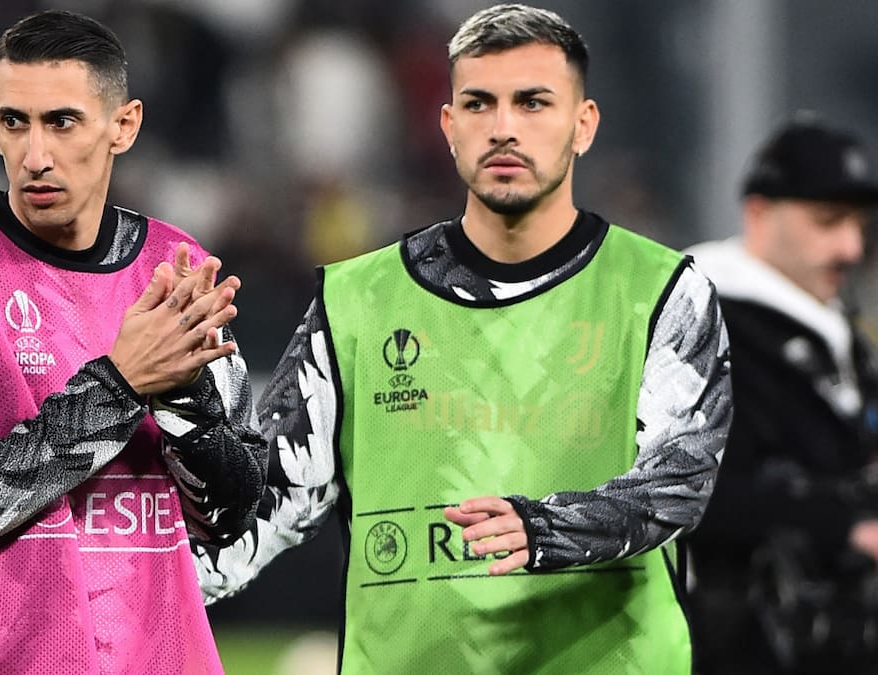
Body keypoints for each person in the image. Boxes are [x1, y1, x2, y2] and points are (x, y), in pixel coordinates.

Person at [193, 4, 732, 673]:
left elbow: (680, 482)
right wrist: (183, 410)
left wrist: (544, 529)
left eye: (533, 103)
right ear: (449, 126)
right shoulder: (357, 301)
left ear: (583, 125)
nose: (504, 128)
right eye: (480, 104)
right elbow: (264, 510)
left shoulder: (663, 291)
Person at [0, 10, 266, 675]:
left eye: (62, 122)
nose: (35, 156)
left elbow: (232, 516)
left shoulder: (176, 267)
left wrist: (183, 396)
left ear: (123, 126)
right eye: (14, 122)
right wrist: (121, 384)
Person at [684, 115, 878, 674]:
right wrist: (844, 524)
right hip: (738, 649)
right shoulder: (700, 322)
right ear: (759, 214)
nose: (851, 247)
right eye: (828, 221)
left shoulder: (834, 332)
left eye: (859, 225)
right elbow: (686, 493)